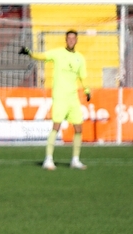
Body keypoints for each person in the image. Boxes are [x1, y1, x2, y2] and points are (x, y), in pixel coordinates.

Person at [21, 30, 91, 170]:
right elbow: (42, 56)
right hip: (60, 96)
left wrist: (87, 90)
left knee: (78, 128)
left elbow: (83, 76)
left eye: (73, 38)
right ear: (66, 40)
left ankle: (75, 160)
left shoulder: (80, 58)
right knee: (56, 126)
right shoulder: (58, 53)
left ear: (76, 40)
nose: (71, 40)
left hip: (73, 97)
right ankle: (48, 159)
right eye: (69, 38)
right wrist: (30, 53)